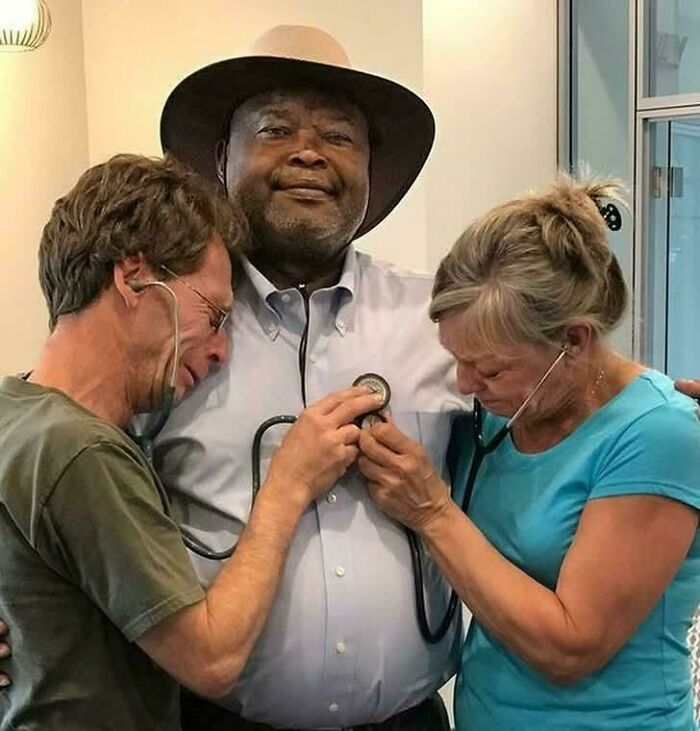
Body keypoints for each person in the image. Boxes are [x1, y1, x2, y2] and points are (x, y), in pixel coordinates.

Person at [153, 24, 464, 730]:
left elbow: (557, 417)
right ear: (221, 158)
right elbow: (64, 461)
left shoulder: (440, 318)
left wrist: (651, 408)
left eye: (338, 136)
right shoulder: (166, 322)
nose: (308, 152)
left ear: (370, 169)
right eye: (275, 129)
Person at [0, 154, 381, 730]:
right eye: (214, 316)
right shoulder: (81, 452)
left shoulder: (17, 411)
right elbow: (212, 660)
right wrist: (289, 485)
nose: (222, 350)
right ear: (133, 277)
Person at [357, 175, 700, 730]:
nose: (464, 384)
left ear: (574, 341)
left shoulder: (658, 432)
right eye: (456, 359)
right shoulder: (501, 412)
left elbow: (571, 647)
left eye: (490, 368)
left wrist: (432, 511)